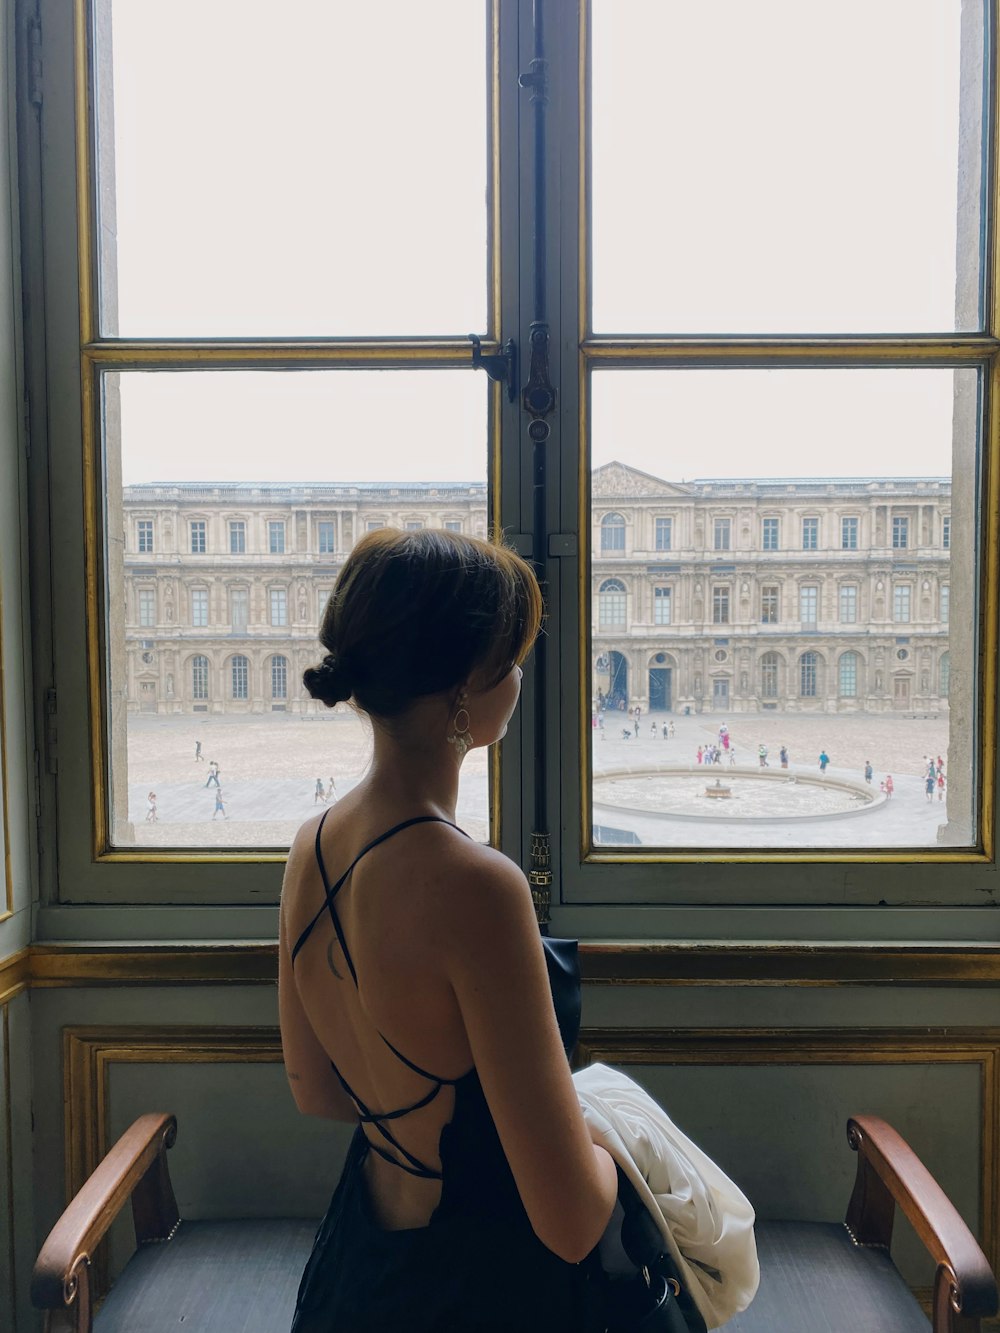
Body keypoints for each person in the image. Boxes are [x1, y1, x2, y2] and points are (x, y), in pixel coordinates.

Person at [280, 529, 617, 1332]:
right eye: (512, 656)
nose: (523, 673)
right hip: (480, 1289)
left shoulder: (311, 844)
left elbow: (318, 1090)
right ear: (467, 686)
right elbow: (570, 1223)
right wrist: (614, 1144)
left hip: (356, 1271)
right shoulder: (478, 886)